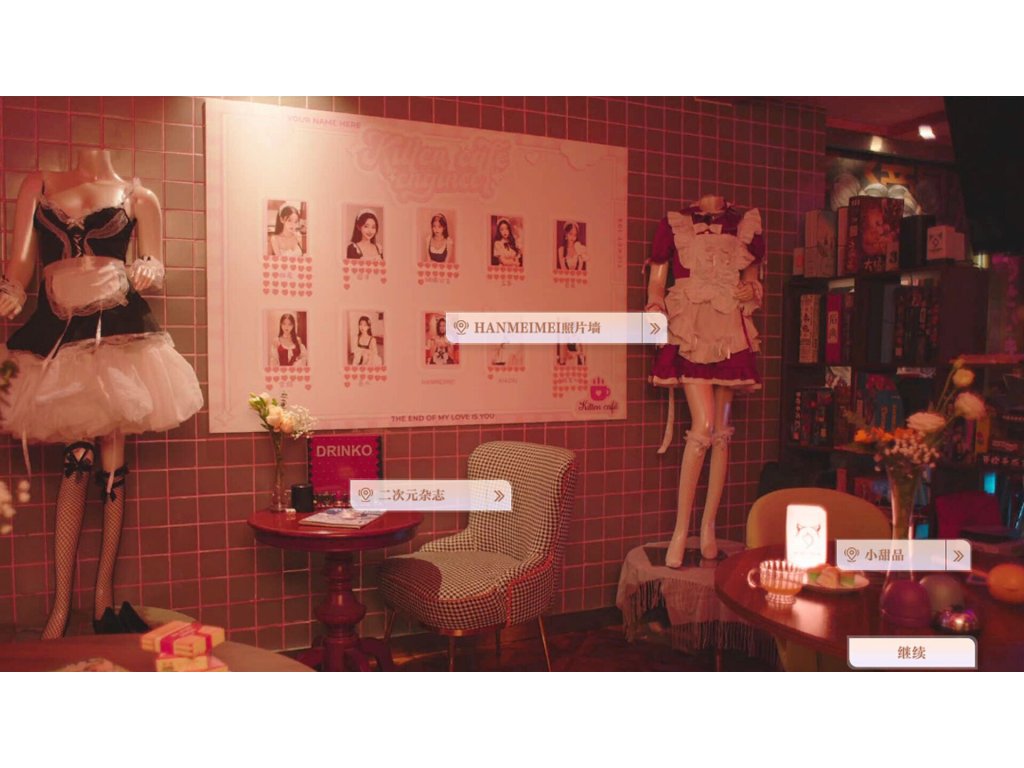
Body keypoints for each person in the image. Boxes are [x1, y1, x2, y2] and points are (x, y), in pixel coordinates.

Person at [0, 149, 203, 638]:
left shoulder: (138, 196)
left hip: (118, 333)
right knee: (78, 460)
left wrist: (149, 268)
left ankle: (102, 600)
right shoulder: (39, 184)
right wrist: (11, 290)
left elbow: (152, 261)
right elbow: (21, 262)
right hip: (59, 332)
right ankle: (59, 609)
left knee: (113, 462)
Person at [646, 194, 764, 567]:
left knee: (722, 433)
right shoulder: (677, 222)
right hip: (692, 325)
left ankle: (708, 526)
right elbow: (657, 280)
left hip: (728, 325)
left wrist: (750, 290)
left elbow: (752, 278)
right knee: (704, 427)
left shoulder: (743, 224)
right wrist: (655, 306)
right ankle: (681, 531)